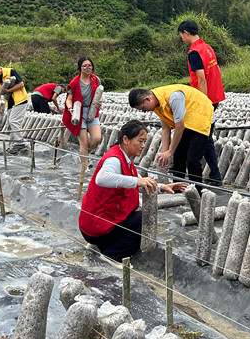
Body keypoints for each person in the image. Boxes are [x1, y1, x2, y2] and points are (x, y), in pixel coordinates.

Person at [79, 120, 187, 261]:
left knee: (134, 218)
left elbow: (138, 182)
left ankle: (100, 245)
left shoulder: (125, 159)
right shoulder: (114, 160)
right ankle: (113, 256)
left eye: (144, 142)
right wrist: (137, 181)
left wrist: (161, 187)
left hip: (95, 224)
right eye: (140, 141)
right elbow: (102, 178)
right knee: (143, 219)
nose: (143, 146)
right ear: (126, 140)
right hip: (97, 226)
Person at [129, 84, 214, 186]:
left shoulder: (174, 97)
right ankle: (177, 188)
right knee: (178, 156)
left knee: (192, 160)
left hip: (202, 119)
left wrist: (170, 151)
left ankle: (197, 193)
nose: (145, 112)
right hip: (187, 120)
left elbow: (180, 127)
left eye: (143, 109)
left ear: (147, 99)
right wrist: (165, 153)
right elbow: (165, 129)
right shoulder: (157, 102)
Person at [178, 19, 224, 186]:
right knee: (205, 138)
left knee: (201, 138)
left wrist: (202, 103)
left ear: (186, 33)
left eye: (181, 36)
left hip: (206, 99)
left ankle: (215, 176)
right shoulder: (208, 48)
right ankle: (215, 175)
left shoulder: (195, 52)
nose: (182, 39)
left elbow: (201, 79)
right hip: (215, 97)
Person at [63, 57, 103, 171]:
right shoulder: (75, 82)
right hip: (79, 112)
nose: (87, 68)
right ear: (80, 68)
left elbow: (100, 93)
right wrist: (70, 108)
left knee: (96, 138)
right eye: (84, 66)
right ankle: (85, 168)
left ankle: (84, 155)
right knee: (84, 142)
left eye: (89, 66)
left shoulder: (95, 79)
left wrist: (100, 101)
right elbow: (69, 99)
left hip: (92, 111)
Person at [0, 62, 30, 155]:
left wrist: (8, 90)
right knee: (11, 124)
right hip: (10, 102)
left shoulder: (10, 71)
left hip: (20, 100)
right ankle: (13, 146)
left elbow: (21, 84)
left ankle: (20, 143)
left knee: (14, 121)